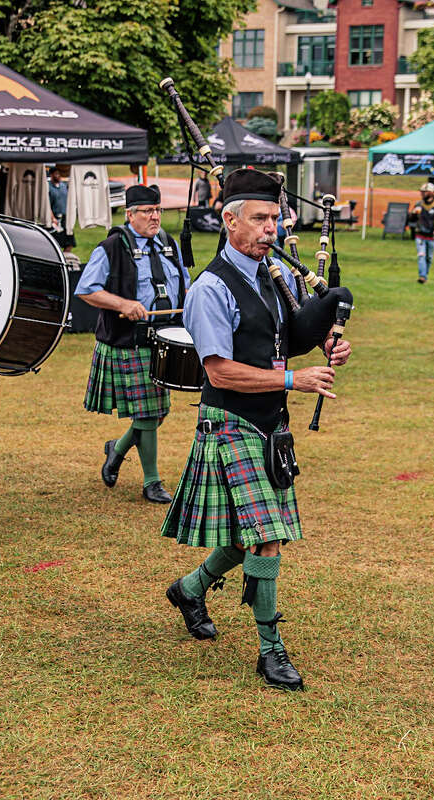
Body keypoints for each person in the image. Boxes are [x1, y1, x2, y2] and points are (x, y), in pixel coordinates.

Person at [160, 168, 352, 691]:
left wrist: (327, 341)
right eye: (261, 219)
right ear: (229, 221)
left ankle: (190, 589)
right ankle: (271, 651)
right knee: (267, 538)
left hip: (270, 423)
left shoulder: (272, 276)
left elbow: (284, 340)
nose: (273, 229)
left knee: (249, 537)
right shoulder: (210, 289)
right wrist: (294, 378)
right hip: (229, 422)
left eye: (276, 218)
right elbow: (219, 371)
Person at [76, 184, 190, 504]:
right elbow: (87, 290)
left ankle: (118, 449)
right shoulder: (111, 247)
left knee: (155, 413)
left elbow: (184, 282)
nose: (154, 217)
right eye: (147, 212)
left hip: (164, 336)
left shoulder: (168, 244)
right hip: (129, 340)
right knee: (148, 412)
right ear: (129, 215)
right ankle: (151, 481)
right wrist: (122, 304)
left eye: (157, 211)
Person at [409, 182, 434, 283]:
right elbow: (411, 219)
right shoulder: (419, 204)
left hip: (432, 235)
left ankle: (425, 275)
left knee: (428, 258)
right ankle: (422, 276)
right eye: (422, 192)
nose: (422, 194)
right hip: (420, 234)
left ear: (432, 193)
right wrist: (413, 213)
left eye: (425, 192)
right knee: (421, 255)